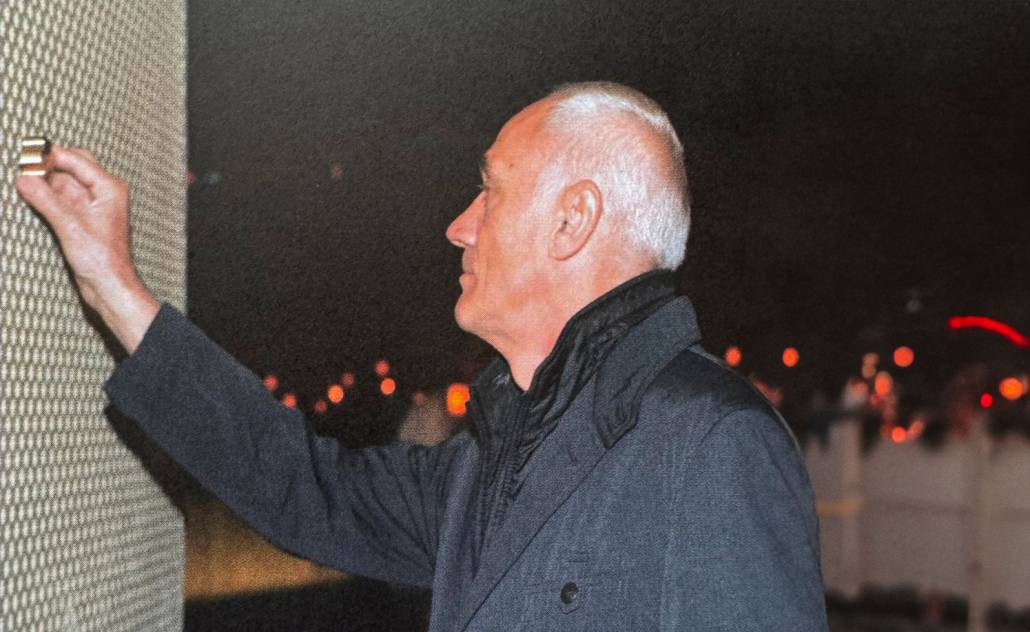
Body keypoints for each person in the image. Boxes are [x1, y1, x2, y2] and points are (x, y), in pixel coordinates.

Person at [16, 82, 829, 631]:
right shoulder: (485, 462)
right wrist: (115, 288)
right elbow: (299, 485)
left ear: (572, 221)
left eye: (491, 191)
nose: (459, 226)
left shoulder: (711, 441)